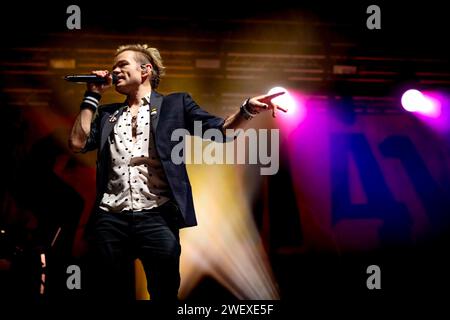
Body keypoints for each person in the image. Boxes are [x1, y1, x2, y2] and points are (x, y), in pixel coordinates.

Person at [68, 44, 282, 301]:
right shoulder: (107, 114)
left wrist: (247, 109)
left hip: (157, 216)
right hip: (110, 218)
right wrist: (91, 96)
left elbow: (220, 131)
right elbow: (77, 143)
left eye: (122, 64)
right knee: (108, 291)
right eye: (114, 66)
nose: (115, 70)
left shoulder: (175, 104)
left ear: (145, 70)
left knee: (164, 292)